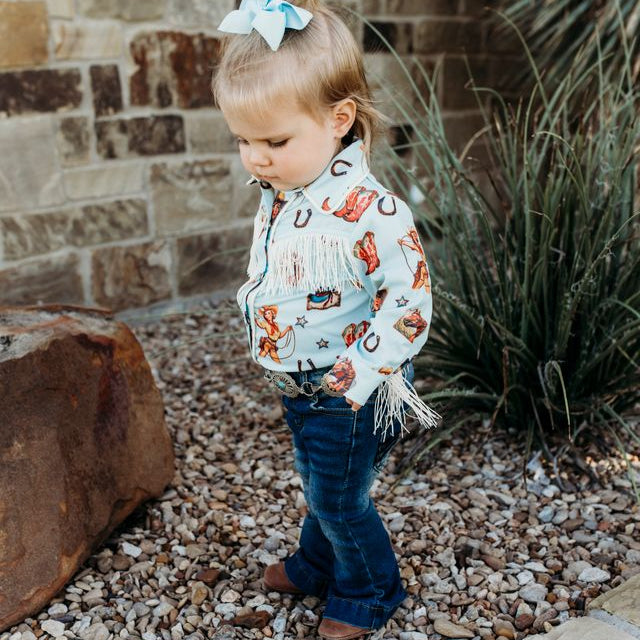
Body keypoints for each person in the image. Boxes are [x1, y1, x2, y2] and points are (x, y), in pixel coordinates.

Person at [213, 1, 439, 638]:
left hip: (348, 389)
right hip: (298, 383)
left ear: (339, 120)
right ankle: (316, 564)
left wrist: (357, 375)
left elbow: (410, 303)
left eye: (274, 142)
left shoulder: (372, 212)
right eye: (243, 141)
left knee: (341, 499)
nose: (256, 159)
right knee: (319, 485)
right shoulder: (286, 190)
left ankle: (370, 591)